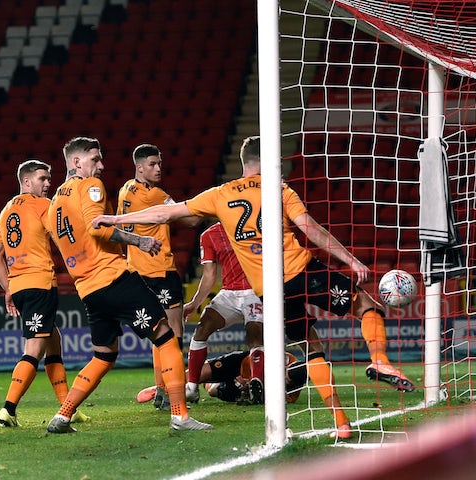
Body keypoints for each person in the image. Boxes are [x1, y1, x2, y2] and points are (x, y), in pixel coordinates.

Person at [93, 135, 414, 438]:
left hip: (268, 290)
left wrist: (114, 220)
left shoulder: (221, 194)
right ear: (269, 160)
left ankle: (341, 424)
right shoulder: (279, 189)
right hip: (300, 269)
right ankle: (380, 359)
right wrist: (349, 260)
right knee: (365, 305)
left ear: (243, 161)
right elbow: (310, 229)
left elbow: (166, 213)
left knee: (311, 346)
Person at [45, 136, 212, 433]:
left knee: (104, 354)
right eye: (95, 159)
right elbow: (99, 227)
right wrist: (139, 239)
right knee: (165, 335)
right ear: (76, 162)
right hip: (113, 278)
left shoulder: (55, 201)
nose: (101, 165)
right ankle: (180, 415)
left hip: (88, 290)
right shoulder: (89, 187)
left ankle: (62, 415)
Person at [0, 159, 88, 427]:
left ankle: (68, 406)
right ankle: (8, 409)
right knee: (34, 348)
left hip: (21, 287)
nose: (48, 183)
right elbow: (62, 238)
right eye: (43, 179)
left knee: (53, 338)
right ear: (26, 181)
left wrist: (8, 288)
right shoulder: (44, 206)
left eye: (49, 178)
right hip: (40, 284)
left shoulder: (7, 210)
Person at [117, 143, 199, 410]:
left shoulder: (125, 190)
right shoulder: (156, 196)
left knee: (158, 332)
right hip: (160, 270)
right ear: (139, 167)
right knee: (174, 332)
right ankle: (171, 390)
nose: (158, 168)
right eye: (152, 164)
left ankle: (162, 390)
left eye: (159, 163)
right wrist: (211, 206)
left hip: (138, 272)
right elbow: (190, 221)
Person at [182, 222, 265, 404]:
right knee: (201, 329)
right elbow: (210, 275)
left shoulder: (257, 225)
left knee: (255, 333)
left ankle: (256, 383)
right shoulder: (209, 235)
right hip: (229, 293)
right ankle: (192, 388)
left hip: (256, 291)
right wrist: (195, 303)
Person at [137, 350, 307, 406]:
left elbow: (277, 402)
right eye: (284, 373)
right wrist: (247, 377)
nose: (282, 378)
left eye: (286, 381)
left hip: (244, 387)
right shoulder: (282, 358)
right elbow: (254, 357)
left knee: (213, 391)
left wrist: (247, 387)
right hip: (240, 363)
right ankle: (161, 387)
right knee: (198, 374)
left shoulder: (294, 390)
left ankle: (198, 390)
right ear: (287, 367)